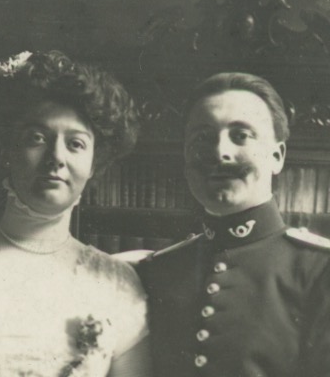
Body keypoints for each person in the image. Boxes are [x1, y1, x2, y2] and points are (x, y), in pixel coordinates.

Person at [0, 50, 151, 377]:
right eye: (36, 138)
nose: (56, 157)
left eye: (76, 144)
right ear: (7, 149)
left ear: (94, 164)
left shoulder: (116, 283)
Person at [138, 72, 330, 377]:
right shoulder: (156, 270)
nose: (220, 152)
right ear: (185, 157)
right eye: (203, 138)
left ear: (277, 156)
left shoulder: (319, 270)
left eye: (241, 135)